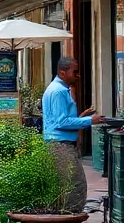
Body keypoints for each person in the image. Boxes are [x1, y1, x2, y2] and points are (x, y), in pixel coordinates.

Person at [42, 57, 103, 213]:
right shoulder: (59, 91)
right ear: (63, 72)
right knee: (76, 185)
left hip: (58, 144)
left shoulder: (58, 89)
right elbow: (61, 122)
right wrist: (90, 120)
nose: (78, 75)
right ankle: (70, 219)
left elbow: (60, 119)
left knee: (65, 184)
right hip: (60, 145)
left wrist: (82, 117)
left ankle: (65, 216)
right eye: (74, 72)